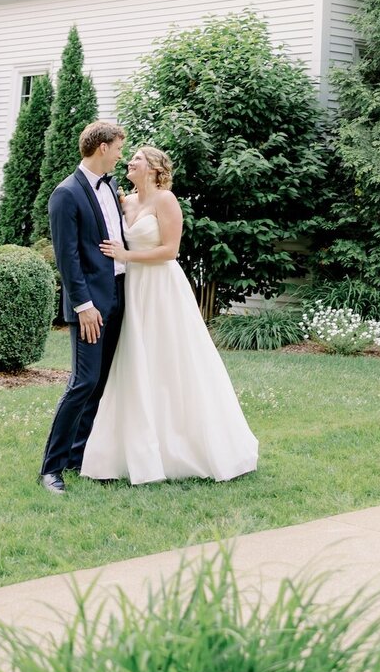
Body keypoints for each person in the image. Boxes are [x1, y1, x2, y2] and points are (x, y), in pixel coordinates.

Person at [79, 144, 259, 485]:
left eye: (137, 159)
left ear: (154, 168)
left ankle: (185, 444)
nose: (129, 162)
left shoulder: (165, 200)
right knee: (136, 360)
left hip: (162, 287)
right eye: (129, 157)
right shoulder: (125, 201)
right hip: (134, 290)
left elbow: (170, 250)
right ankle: (129, 447)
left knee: (172, 359)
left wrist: (126, 257)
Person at [39, 119, 127, 494]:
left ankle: (79, 456)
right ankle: (51, 468)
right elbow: (68, 257)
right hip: (90, 305)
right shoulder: (66, 193)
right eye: (119, 148)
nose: (121, 155)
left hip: (120, 297)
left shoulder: (112, 188)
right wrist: (83, 305)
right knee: (83, 382)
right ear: (102, 147)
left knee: (102, 382)